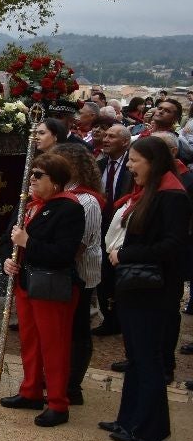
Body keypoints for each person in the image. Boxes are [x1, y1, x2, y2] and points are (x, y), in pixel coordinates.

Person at [101, 136, 190, 441]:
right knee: (136, 358)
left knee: (147, 358)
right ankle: (129, 418)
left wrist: (125, 254)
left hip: (154, 290)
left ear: (153, 162)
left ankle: (149, 429)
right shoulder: (148, 193)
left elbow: (172, 245)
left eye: (134, 160)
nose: (129, 166)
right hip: (136, 287)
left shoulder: (172, 197)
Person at [0, 152, 84, 427]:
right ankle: (31, 390)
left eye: (38, 175)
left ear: (56, 181)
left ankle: (58, 403)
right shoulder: (28, 205)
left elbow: (63, 252)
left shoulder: (69, 208)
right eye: (31, 174)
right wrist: (8, 259)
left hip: (51, 287)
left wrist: (27, 242)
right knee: (30, 341)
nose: (31, 179)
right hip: (26, 282)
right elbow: (8, 239)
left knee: (54, 346)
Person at [49, 143, 105, 405]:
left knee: (77, 327)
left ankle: (72, 385)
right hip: (60, 271)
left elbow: (79, 245)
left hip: (80, 273)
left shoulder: (87, 200)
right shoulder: (60, 193)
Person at [92, 123, 133, 336]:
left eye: (112, 137)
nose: (106, 140)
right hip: (101, 225)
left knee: (118, 272)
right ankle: (108, 318)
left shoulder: (131, 166)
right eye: (105, 135)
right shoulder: (99, 165)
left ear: (125, 142)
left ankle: (122, 317)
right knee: (103, 273)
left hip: (122, 227)